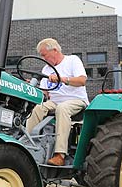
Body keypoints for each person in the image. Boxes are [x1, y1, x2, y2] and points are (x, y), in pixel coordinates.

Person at [26, 38, 89, 166]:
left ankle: (60, 154)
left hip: (75, 100)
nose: (43, 58)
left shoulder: (72, 60)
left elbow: (82, 81)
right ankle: (27, 145)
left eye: (44, 55)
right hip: (54, 101)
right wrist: (30, 87)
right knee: (38, 108)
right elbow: (45, 93)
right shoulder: (46, 69)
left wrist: (62, 79)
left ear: (54, 50)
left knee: (62, 108)